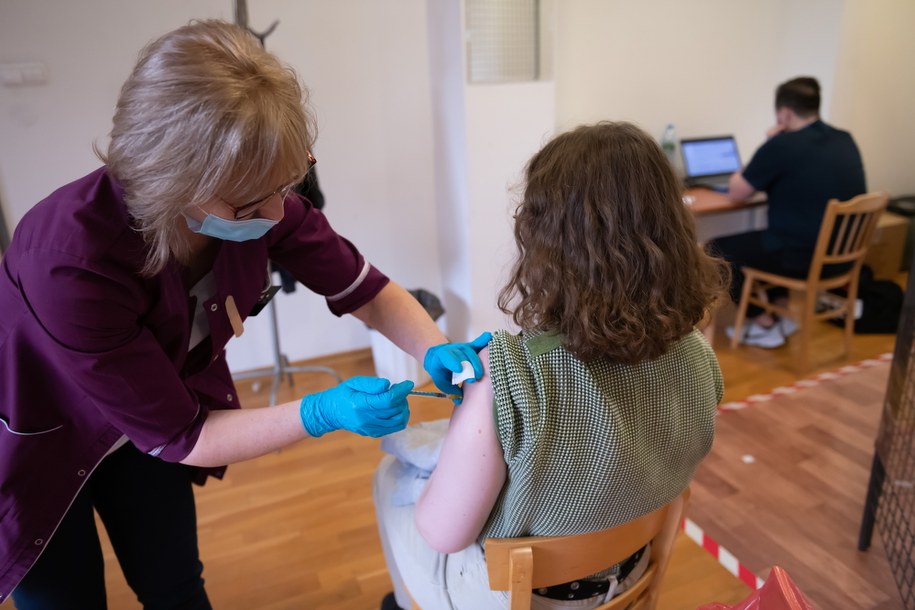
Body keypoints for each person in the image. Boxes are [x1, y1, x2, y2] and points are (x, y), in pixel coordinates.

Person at [0, 20, 489, 609]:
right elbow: (186, 435)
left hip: (149, 431)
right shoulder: (70, 261)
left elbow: (366, 289)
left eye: (287, 182)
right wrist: (321, 411)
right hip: (39, 440)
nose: (280, 209)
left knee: (175, 582)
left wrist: (430, 346)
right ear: (175, 184)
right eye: (253, 202)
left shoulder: (260, 199)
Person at [373, 122, 727, 610]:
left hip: (529, 598)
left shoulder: (509, 373)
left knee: (391, 482)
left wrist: (475, 414)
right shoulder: (697, 352)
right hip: (630, 572)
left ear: (545, 242)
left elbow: (443, 533)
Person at [709, 76, 867, 348]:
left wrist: (768, 143)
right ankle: (783, 315)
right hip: (842, 259)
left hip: (802, 259)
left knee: (718, 248)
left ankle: (763, 323)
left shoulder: (781, 146)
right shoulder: (844, 139)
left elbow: (737, 191)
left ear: (784, 113)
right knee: (773, 237)